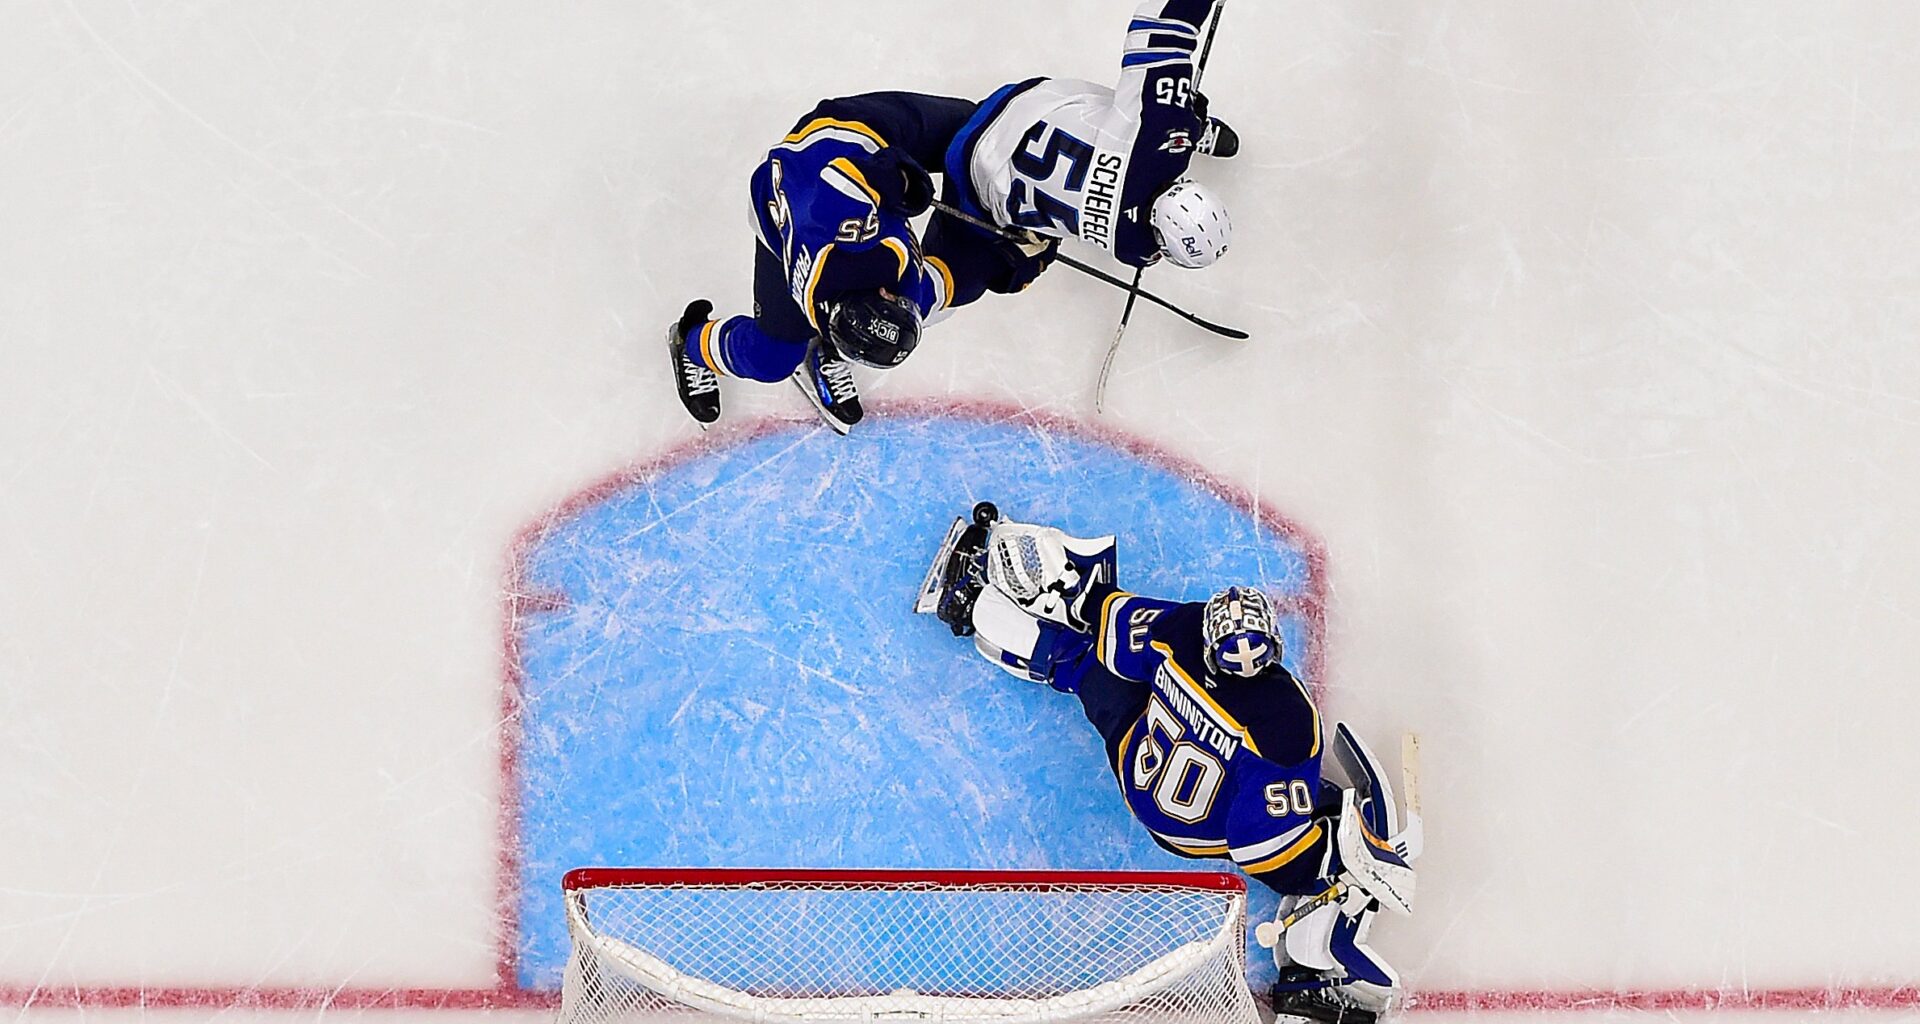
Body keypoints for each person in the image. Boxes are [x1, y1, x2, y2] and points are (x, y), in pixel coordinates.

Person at [916, 503, 1419, 1023]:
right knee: (1325, 847)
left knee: (1081, 663)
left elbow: (1104, 616)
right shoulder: (1288, 721)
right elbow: (1259, 847)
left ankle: (970, 603)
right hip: (1187, 828)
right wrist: (1330, 867)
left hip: (1140, 757)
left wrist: (1062, 583)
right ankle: (1308, 982)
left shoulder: (1185, 628)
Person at [667, 93, 1059, 434]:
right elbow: (953, 283)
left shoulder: (853, 246)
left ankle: (829, 348)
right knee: (772, 359)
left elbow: (841, 178)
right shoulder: (902, 292)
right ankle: (692, 342)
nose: (902, 298)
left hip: (849, 134)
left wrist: (900, 181)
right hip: (786, 214)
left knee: (988, 132)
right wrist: (1011, 263)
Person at [945, 0, 1241, 273]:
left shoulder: (1160, 132)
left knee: (1149, 119)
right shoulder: (1135, 251)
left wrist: (1183, 122)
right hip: (988, 191)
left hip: (1020, 110)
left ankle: (1192, 128)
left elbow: (1158, 28)